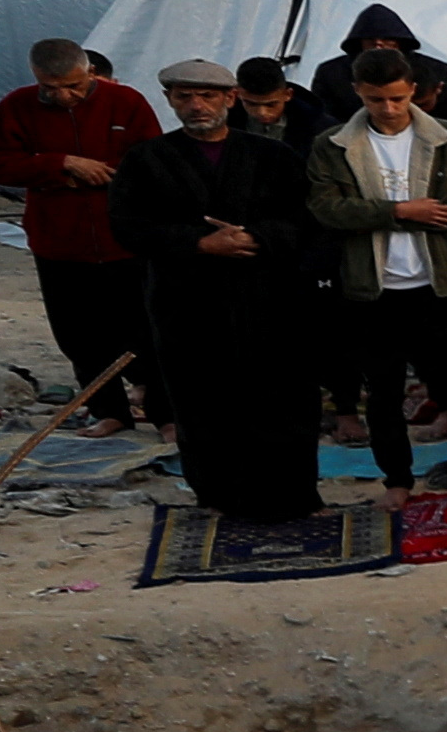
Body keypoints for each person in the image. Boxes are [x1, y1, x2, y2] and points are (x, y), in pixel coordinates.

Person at [113, 61, 320, 522]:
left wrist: (256, 238)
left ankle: (296, 496)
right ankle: (217, 496)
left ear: (231, 98)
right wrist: (198, 243)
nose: (196, 105)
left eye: (207, 95)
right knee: (201, 400)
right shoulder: (146, 160)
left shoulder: (273, 157)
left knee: (281, 398)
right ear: (169, 100)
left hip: (268, 299)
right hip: (187, 301)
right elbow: (128, 227)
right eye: (185, 96)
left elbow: (305, 220)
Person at [305, 46, 447, 491]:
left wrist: (408, 211)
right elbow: (327, 208)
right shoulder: (334, 145)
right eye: (376, 99)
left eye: (397, 98)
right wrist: (402, 211)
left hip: (445, 281)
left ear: (413, 89)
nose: (389, 108)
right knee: (384, 393)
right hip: (374, 285)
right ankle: (397, 481)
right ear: (358, 92)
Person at [0, 41, 160, 420]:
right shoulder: (17, 106)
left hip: (123, 238)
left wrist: (104, 172)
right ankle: (108, 412)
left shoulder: (126, 102)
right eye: (51, 87)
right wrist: (62, 165)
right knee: (79, 335)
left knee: (144, 328)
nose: (63, 95)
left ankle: (165, 414)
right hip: (58, 239)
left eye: (73, 86)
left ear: (90, 72)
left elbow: (152, 160)